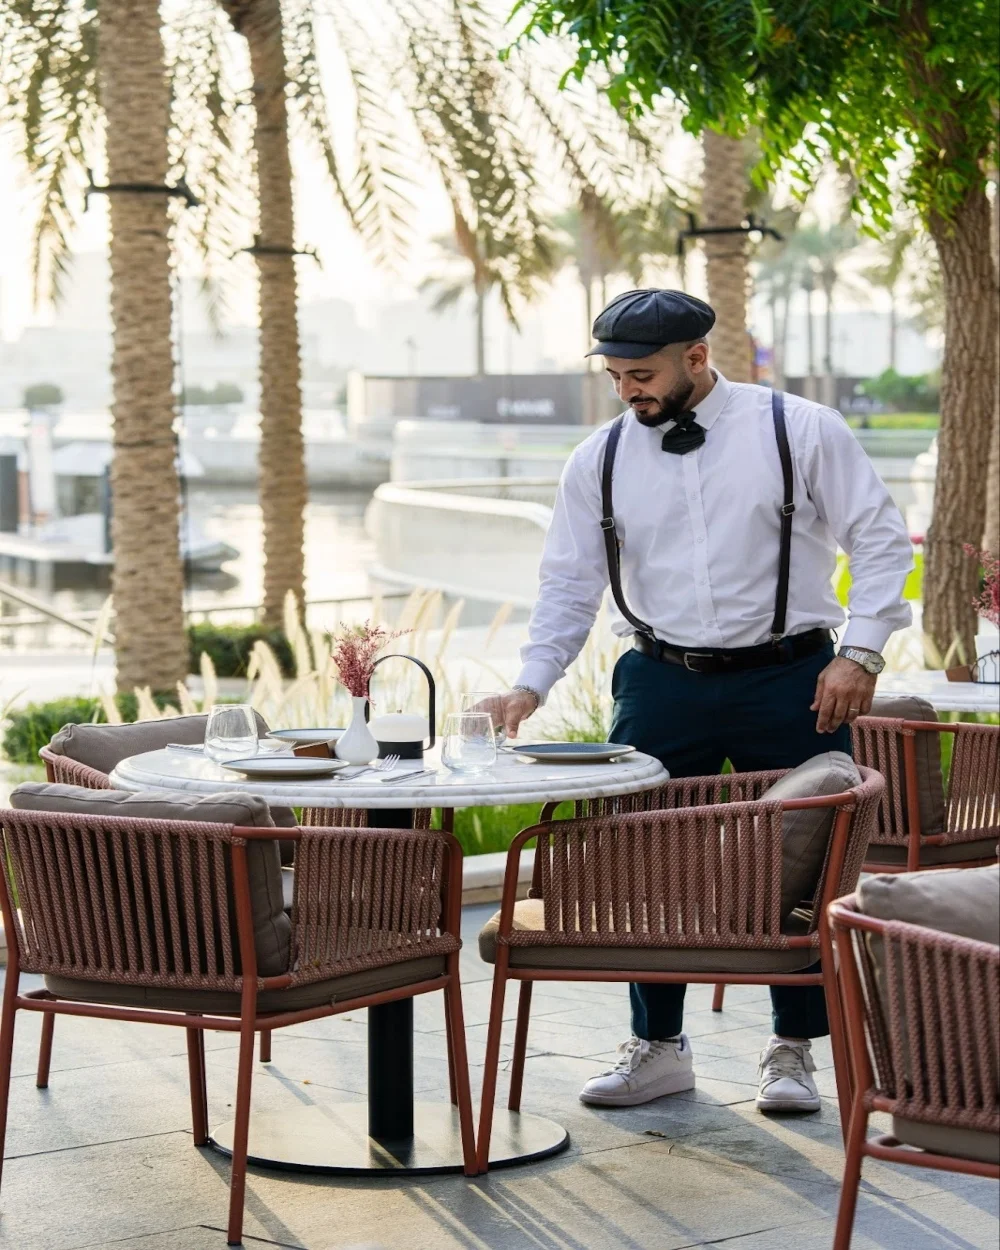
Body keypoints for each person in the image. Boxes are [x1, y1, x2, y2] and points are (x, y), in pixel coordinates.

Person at [499, 288, 913, 1113]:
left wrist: (861, 651)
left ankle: (792, 1050)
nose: (628, 391)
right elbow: (568, 586)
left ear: (697, 358)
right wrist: (528, 683)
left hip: (792, 677)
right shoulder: (599, 459)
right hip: (658, 680)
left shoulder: (799, 429)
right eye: (616, 376)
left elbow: (879, 539)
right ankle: (658, 1047)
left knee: (804, 860)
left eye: (641, 374)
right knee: (641, 861)